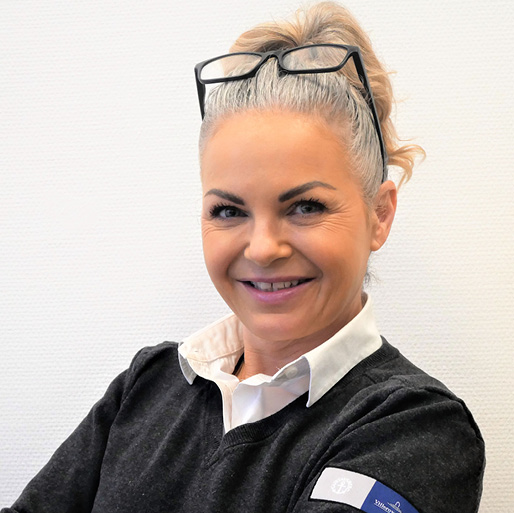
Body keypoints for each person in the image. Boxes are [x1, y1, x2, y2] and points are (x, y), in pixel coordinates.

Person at [2, 2, 485, 512]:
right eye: (229, 211)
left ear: (380, 215)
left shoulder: (415, 427)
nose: (262, 248)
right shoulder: (146, 385)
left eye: (305, 206)